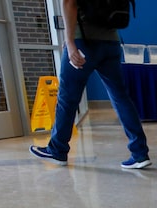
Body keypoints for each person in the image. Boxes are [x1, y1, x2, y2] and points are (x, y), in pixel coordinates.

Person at [30, 0, 150, 169]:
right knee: (121, 97)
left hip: (84, 41)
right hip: (112, 42)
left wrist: (70, 42)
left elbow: (69, 2)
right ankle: (140, 153)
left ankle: (57, 150)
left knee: (68, 98)